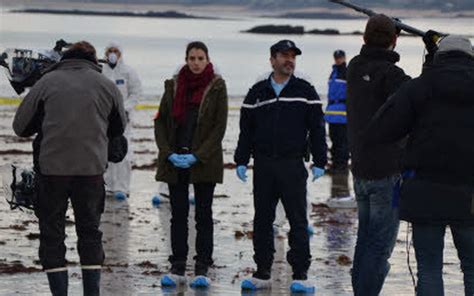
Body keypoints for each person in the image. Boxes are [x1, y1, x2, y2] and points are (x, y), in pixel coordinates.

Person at [12, 41, 127, 296]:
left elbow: (20, 127)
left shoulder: (46, 82)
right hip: (91, 171)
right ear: (93, 60)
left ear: (63, 58)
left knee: (52, 234)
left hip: (52, 171)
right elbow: (118, 128)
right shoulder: (107, 85)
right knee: (90, 233)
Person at [365, 35, 474, 296]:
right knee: (472, 267)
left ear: (438, 57)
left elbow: (380, 129)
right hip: (470, 193)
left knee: (429, 268)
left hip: (425, 189)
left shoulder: (419, 87)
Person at [234, 39, 327, 293]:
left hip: (292, 165)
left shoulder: (305, 90)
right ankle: (262, 272)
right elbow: (246, 131)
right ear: (272, 59)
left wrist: (320, 160)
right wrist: (241, 160)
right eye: (284, 55)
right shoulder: (257, 92)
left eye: (293, 56)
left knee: (297, 220)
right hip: (263, 165)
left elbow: (318, 129)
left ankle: (300, 274)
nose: (290, 60)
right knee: (262, 220)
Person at [154, 41, 228, 288]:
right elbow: (161, 122)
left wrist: (199, 155)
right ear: (186, 59)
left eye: (200, 58)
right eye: (192, 58)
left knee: (204, 215)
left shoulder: (217, 86)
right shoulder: (174, 85)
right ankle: (177, 265)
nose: (195, 62)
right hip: (176, 160)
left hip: (204, 162)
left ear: (207, 60)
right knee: (178, 215)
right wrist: (167, 153)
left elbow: (219, 127)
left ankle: (202, 265)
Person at [346, 14, 411, 296]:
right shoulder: (393, 76)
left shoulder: (353, 67)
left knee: (364, 240)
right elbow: (417, 95)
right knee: (379, 247)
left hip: (360, 169)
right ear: (395, 41)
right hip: (386, 173)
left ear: (364, 38)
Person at [102, 42, 142, 200]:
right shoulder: (101, 71)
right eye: (109, 51)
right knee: (106, 153)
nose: (112, 54)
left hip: (123, 119)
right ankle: (108, 186)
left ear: (120, 53)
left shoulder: (128, 72)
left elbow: (136, 93)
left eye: (115, 51)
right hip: (104, 119)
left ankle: (122, 187)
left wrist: (124, 109)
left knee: (124, 153)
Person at [325, 49, 350, 173]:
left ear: (344, 58)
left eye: (340, 57)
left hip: (343, 114)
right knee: (334, 140)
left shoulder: (347, 72)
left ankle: (342, 166)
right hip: (332, 114)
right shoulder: (333, 73)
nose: (338, 59)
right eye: (336, 57)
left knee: (342, 142)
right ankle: (335, 164)